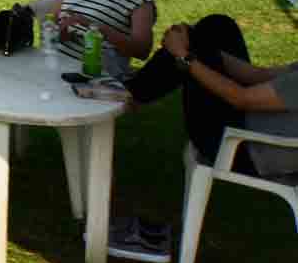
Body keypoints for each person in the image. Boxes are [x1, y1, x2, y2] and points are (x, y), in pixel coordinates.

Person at [123, 15, 298, 174]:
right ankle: (134, 92)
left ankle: (130, 93)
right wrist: (203, 47)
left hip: (240, 146)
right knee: (218, 26)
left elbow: (242, 99)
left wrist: (183, 55)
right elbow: (259, 75)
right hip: (247, 125)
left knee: (195, 45)